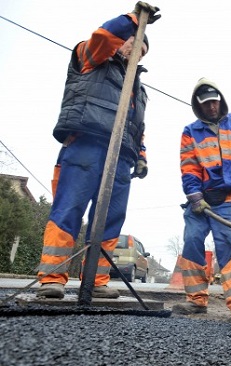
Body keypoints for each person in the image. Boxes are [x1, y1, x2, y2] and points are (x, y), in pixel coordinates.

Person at [36, 2, 161, 299]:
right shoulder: (91, 59)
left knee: (110, 217)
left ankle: (96, 279)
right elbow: (105, 35)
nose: (137, 53)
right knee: (69, 208)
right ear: (125, 40)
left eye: (143, 52)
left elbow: (137, 126)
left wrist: (141, 156)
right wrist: (134, 21)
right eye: (135, 45)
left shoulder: (138, 89)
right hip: (85, 145)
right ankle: (52, 277)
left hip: (120, 156)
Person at [172, 77, 231, 329]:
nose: (211, 107)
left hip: (230, 201)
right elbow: (189, 168)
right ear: (198, 105)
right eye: (206, 104)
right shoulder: (190, 132)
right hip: (201, 201)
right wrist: (195, 197)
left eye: (214, 102)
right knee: (192, 242)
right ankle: (196, 300)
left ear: (220, 100)